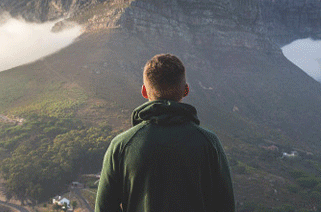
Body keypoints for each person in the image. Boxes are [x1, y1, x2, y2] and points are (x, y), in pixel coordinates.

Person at [95, 54, 235, 212]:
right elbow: (225, 206)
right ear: (186, 90)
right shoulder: (209, 143)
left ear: (144, 92)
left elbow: (104, 208)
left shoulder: (121, 146)